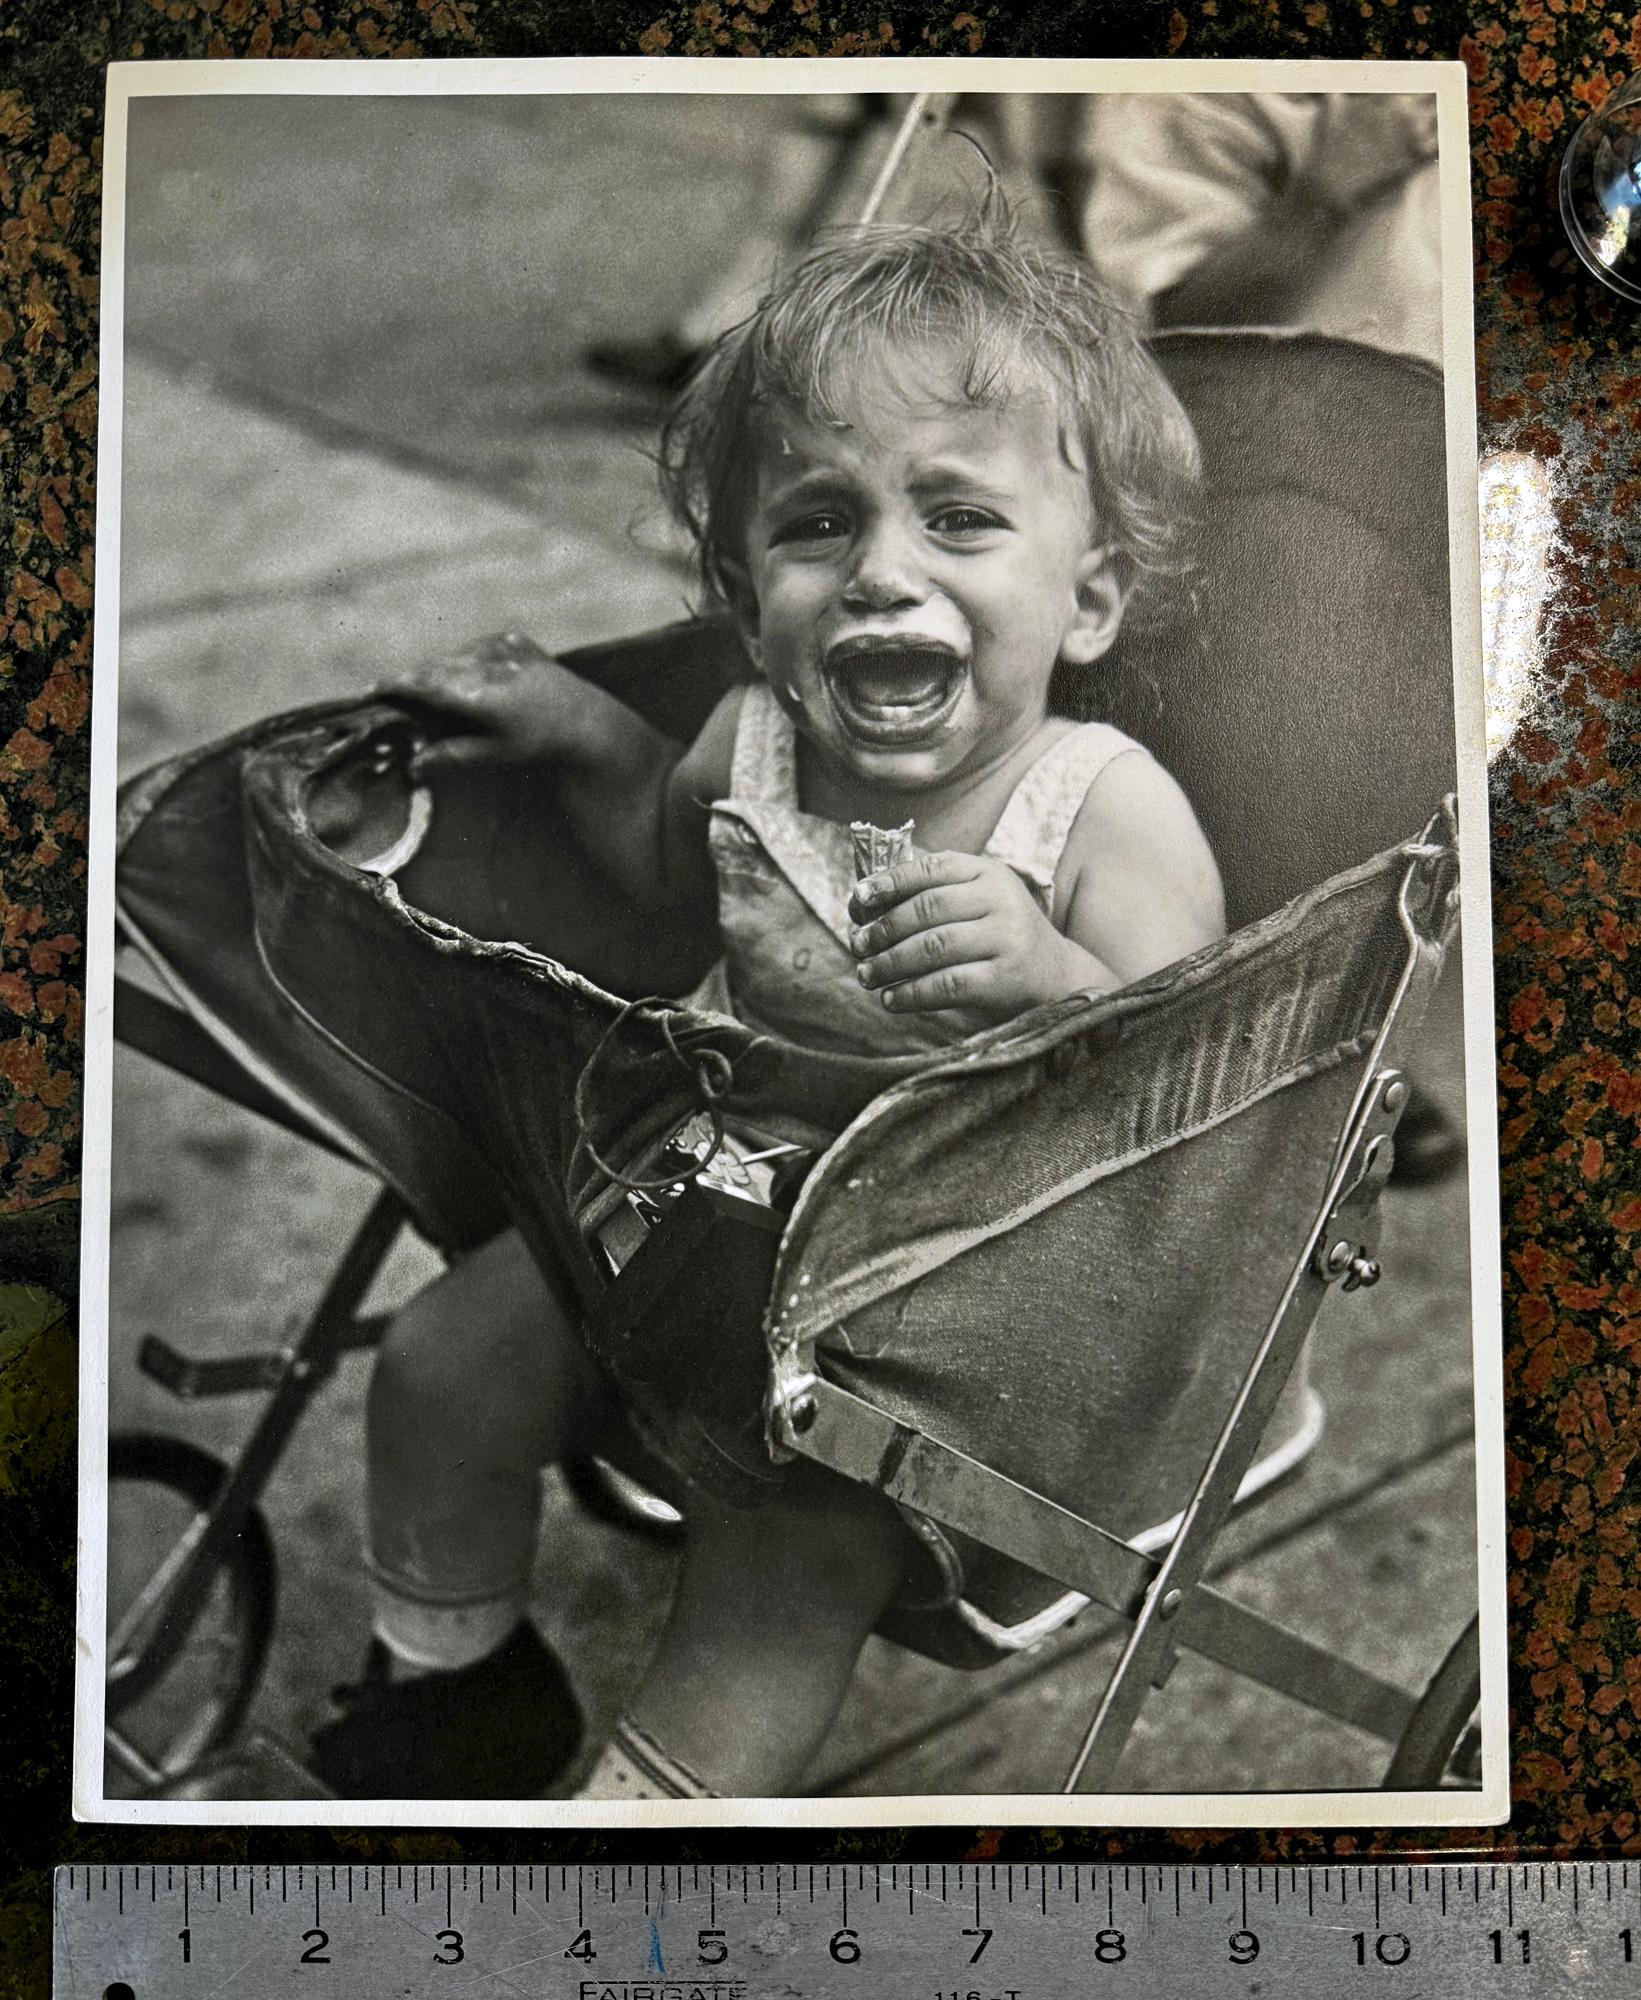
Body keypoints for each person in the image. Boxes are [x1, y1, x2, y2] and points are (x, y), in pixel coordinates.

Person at [308, 205, 1220, 1802]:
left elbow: (1194, 1086)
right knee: (444, 1362)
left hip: (932, 1304)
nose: (879, 573)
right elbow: (671, 888)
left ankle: (642, 1855)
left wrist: (1054, 980)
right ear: (744, 593)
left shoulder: (1100, 807)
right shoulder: (750, 744)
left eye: (956, 520)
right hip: (691, 1197)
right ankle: (456, 1683)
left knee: (779, 1563)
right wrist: (581, 736)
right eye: (816, 526)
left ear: (1085, 601)